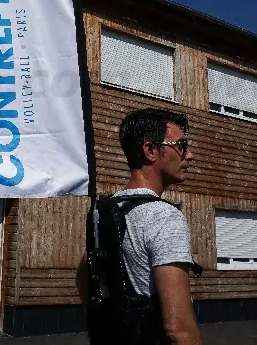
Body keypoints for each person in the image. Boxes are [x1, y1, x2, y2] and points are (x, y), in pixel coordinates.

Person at [76, 107, 204, 345]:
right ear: (151, 150)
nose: (189, 155)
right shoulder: (164, 216)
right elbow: (178, 329)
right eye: (181, 145)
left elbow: (83, 274)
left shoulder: (105, 210)